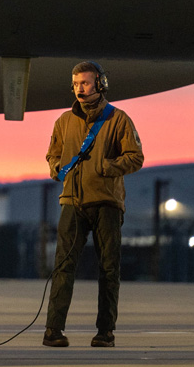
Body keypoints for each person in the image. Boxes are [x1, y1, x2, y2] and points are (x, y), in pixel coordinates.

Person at [42, 61, 144, 348]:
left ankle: (105, 332)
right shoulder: (63, 121)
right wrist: (56, 168)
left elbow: (135, 157)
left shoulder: (119, 119)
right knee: (63, 265)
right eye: (76, 84)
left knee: (109, 269)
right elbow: (52, 155)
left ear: (100, 84)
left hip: (107, 203)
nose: (79, 89)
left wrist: (106, 166)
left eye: (85, 83)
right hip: (72, 202)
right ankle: (53, 330)